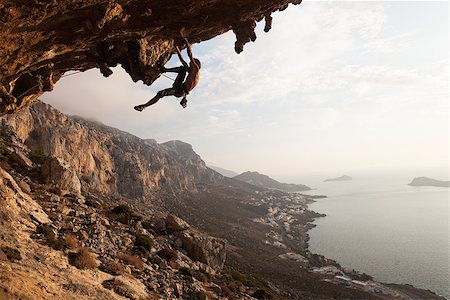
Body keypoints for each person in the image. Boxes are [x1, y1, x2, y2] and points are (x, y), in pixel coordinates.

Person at [134, 37, 201, 111]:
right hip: (180, 87)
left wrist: (185, 39)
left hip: (179, 91)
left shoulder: (196, 68)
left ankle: (143, 106)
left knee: (160, 93)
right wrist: (176, 48)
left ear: (195, 64)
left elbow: (190, 54)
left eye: (190, 63)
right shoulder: (192, 71)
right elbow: (182, 59)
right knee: (182, 69)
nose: (189, 64)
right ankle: (164, 70)